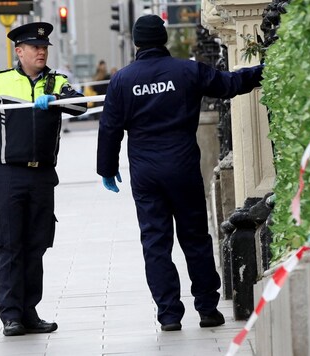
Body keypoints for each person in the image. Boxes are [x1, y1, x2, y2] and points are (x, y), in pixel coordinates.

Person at [96, 15, 264, 331]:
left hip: (146, 174)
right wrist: (264, 70)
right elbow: (229, 84)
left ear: (136, 43)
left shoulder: (122, 80)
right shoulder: (186, 71)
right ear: (164, 40)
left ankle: (169, 314)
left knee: (155, 242)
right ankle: (207, 309)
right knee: (195, 238)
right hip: (183, 166)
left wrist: (106, 168)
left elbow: (110, 128)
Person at [0, 22, 86, 337]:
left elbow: (81, 106)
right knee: (9, 244)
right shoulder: (1, 82)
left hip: (43, 174)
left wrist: (56, 99)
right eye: (35, 47)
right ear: (19, 51)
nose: (41, 51)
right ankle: (10, 316)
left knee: (36, 244)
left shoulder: (56, 81)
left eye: (44, 47)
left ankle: (29, 311)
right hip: (9, 173)